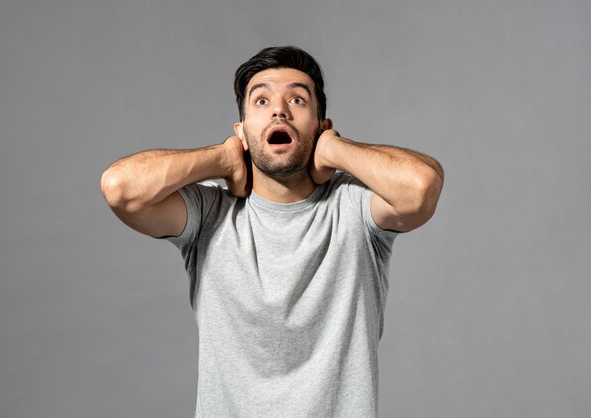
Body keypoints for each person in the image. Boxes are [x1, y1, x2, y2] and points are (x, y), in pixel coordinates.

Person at [101, 46, 443, 417]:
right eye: (261, 100)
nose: (279, 110)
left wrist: (335, 149)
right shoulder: (209, 212)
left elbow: (420, 187)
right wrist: (223, 157)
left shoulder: (354, 206)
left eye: (297, 98)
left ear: (320, 124)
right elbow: (121, 189)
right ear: (243, 130)